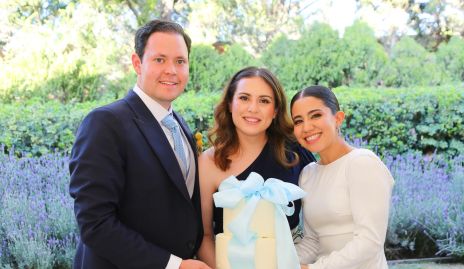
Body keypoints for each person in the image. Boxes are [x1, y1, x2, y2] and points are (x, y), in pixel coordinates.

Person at [69, 19, 211, 269]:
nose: (172, 70)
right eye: (160, 60)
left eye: (180, 61)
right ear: (137, 63)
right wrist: (173, 265)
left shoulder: (179, 124)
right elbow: (95, 223)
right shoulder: (105, 123)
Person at [196, 66, 316, 267]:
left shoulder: (296, 152)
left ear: (276, 110)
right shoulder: (209, 163)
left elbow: (320, 222)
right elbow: (204, 235)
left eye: (264, 101)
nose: (253, 108)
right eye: (244, 98)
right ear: (230, 104)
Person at [290, 85, 394, 269]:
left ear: (338, 118)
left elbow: (369, 242)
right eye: (298, 121)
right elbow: (313, 241)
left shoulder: (362, 163)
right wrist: (280, 262)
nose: (306, 127)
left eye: (315, 115)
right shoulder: (307, 174)